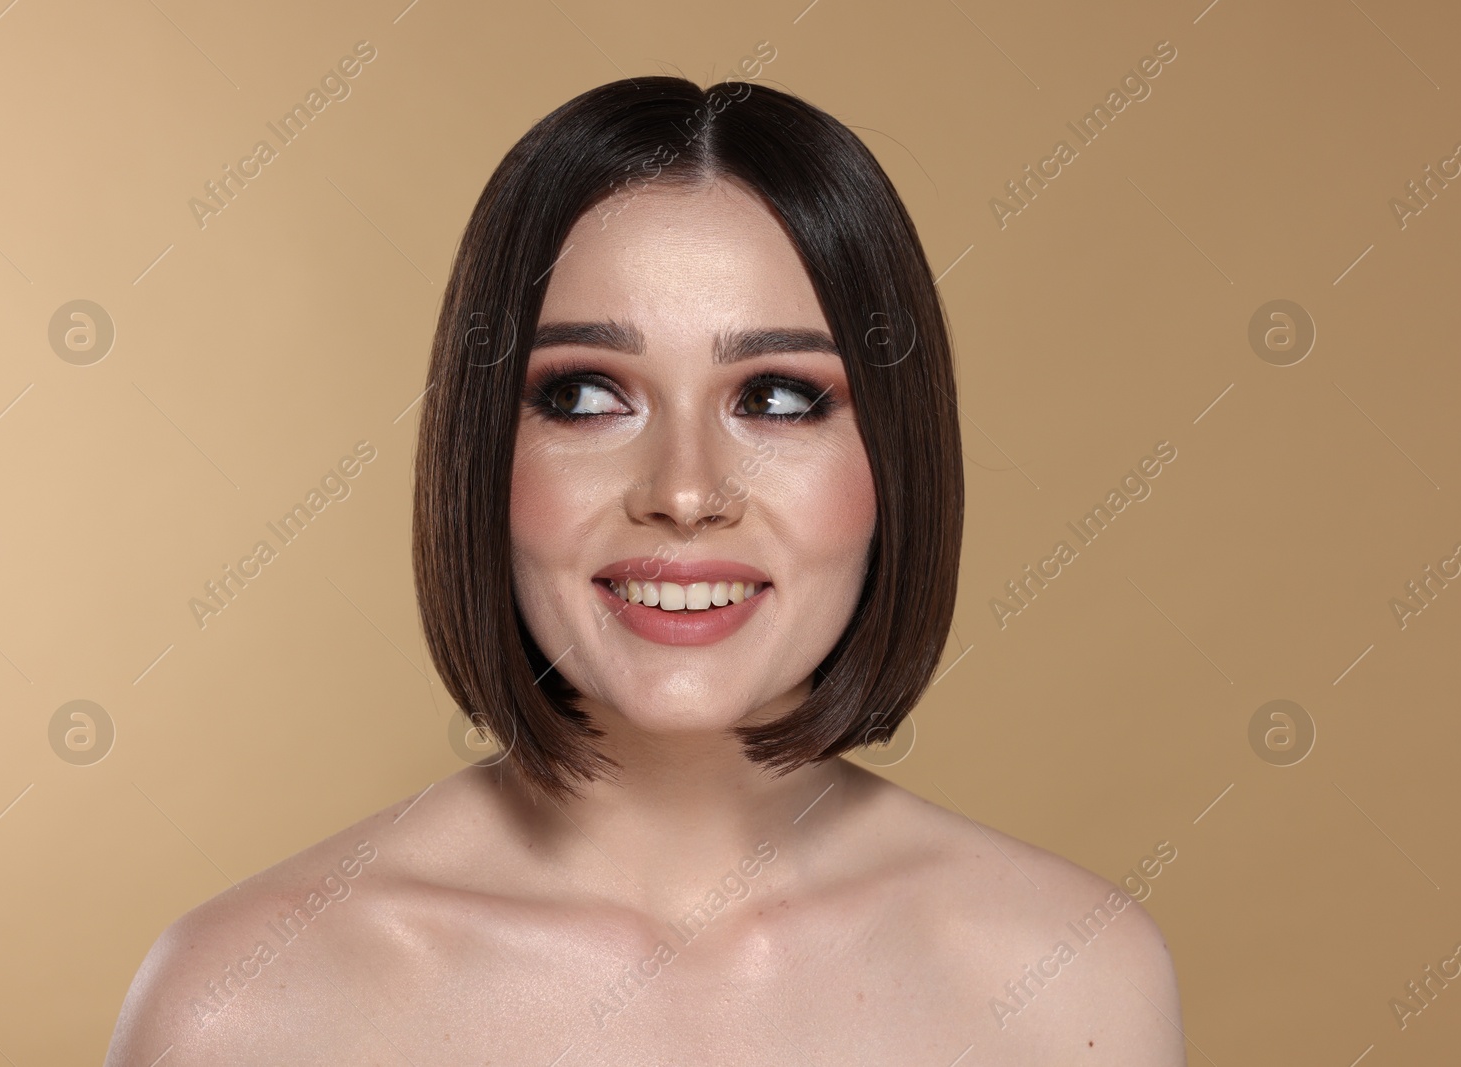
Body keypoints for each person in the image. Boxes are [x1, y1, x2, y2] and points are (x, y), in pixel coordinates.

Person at [105, 75, 1185, 1065]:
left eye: (774, 396)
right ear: (483, 452)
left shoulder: (1073, 986)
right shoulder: (243, 1008)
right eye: (584, 394)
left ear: (893, 461)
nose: (682, 487)